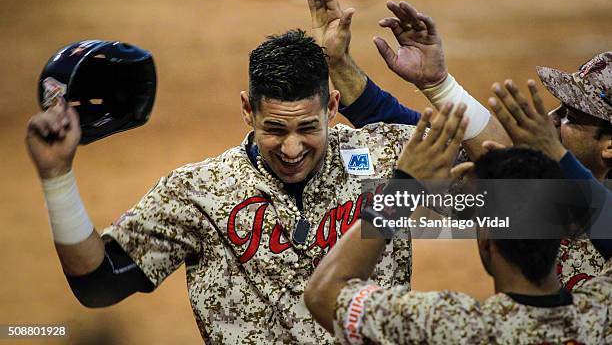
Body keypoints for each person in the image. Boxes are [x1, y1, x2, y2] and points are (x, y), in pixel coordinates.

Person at [26, 29, 422, 343]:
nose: (291, 148)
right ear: (248, 110)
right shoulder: (200, 192)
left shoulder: (387, 158)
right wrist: (57, 178)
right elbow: (99, 284)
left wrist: (438, 86)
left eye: (307, 127)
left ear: (332, 107)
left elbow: (483, 206)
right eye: (274, 128)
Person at [304, 0, 610, 290]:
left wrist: (554, 156)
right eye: (558, 108)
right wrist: (342, 65)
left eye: (571, 116)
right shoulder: (522, 190)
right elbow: (412, 136)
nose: (551, 119)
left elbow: (596, 210)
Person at [304, 100, 612, 344]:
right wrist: (559, 160)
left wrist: (402, 190)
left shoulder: (449, 326)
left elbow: (323, 293)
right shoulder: (599, 315)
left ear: (486, 240)